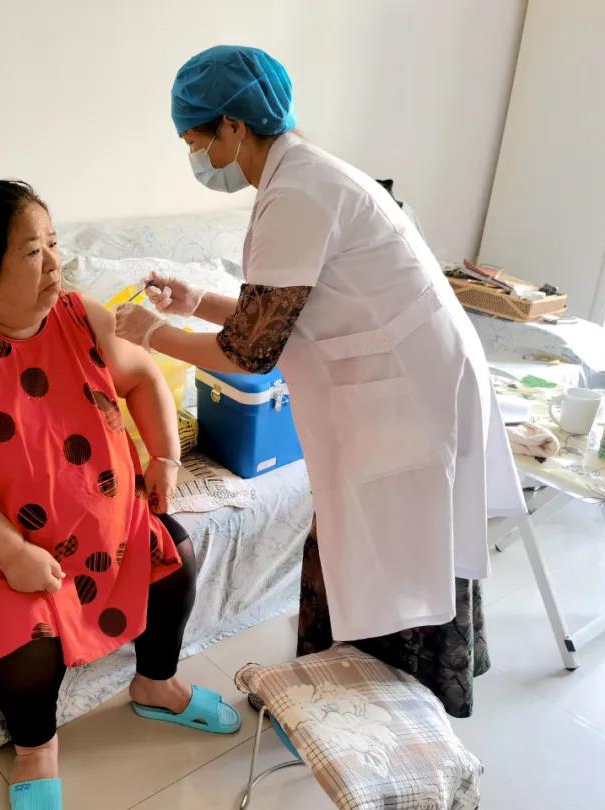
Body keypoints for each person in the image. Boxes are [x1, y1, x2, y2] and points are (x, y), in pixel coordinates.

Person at [114, 45, 525, 718]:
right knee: (353, 545)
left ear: (233, 127)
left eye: (195, 142)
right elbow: (286, 308)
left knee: (391, 552)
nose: (197, 159)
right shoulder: (302, 176)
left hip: (407, 396)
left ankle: (369, 714)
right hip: (403, 379)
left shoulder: (298, 193)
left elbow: (252, 351)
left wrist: (152, 332)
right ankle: (334, 693)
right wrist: (195, 302)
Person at [0, 180, 241, 810]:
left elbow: (143, 379)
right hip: (17, 541)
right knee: (27, 647)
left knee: (175, 562)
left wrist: (164, 457)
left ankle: (155, 685)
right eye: (33, 252)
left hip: (113, 524)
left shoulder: (81, 316)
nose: (55, 263)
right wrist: (12, 554)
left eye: (54, 243)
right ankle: (35, 749)